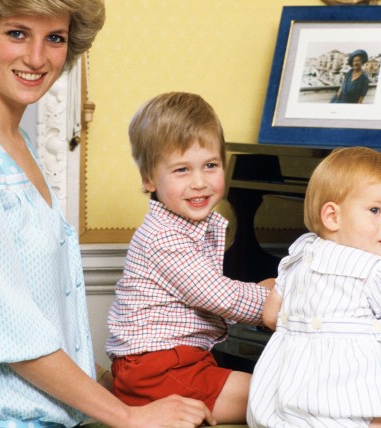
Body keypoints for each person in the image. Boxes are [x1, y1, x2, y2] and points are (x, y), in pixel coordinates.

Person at [0, 1, 215, 427]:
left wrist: (126, 385)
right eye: (17, 33)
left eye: (55, 38)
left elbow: (38, 314)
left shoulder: (16, 145)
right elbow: (3, 326)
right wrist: (127, 415)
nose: (37, 58)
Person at [106, 92, 274, 424]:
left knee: (277, 392)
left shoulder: (188, 225)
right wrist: (271, 301)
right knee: (280, 396)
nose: (199, 183)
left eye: (210, 165)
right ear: (149, 179)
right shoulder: (164, 236)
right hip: (158, 369)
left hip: (177, 362)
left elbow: (214, 295)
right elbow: (217, 295)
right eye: (182, 170)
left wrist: (262, 295)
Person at [247, 147, 381, 428]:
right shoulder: (376, 271)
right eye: (375, 210)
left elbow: (271, 316)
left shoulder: (299, 257)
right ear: (332, 216)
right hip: (347, 405)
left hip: (284, 401)